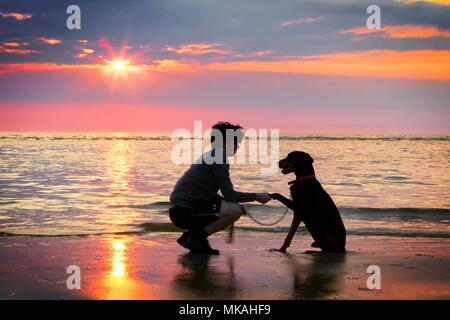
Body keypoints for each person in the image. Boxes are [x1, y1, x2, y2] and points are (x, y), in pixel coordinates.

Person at [169, 121, 271, 254]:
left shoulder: (211, 155)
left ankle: (194, 237)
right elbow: (230, 195)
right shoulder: (218, 158)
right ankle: (195, 238)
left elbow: (208, 192)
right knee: (234, 211)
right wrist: (256, 196)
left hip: (181, 209)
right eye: (235, 143)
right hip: (184, 211)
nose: (238, 147)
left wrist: (232, 202)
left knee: (233, 207)